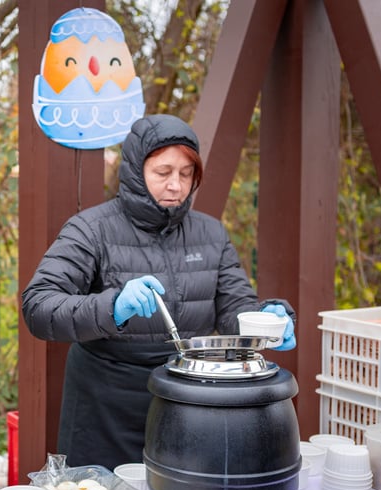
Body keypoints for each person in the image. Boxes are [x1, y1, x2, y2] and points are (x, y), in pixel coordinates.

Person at [21, 114, 295, 470]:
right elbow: (39, 306)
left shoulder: (211, 234)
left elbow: (234, 305)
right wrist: (112, 307)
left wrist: (262, 319)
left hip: (188, 401)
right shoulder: (92, 228)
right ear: (136, 170)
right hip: (106, 404)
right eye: (163, 173)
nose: (176, 186)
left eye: (186, 174)